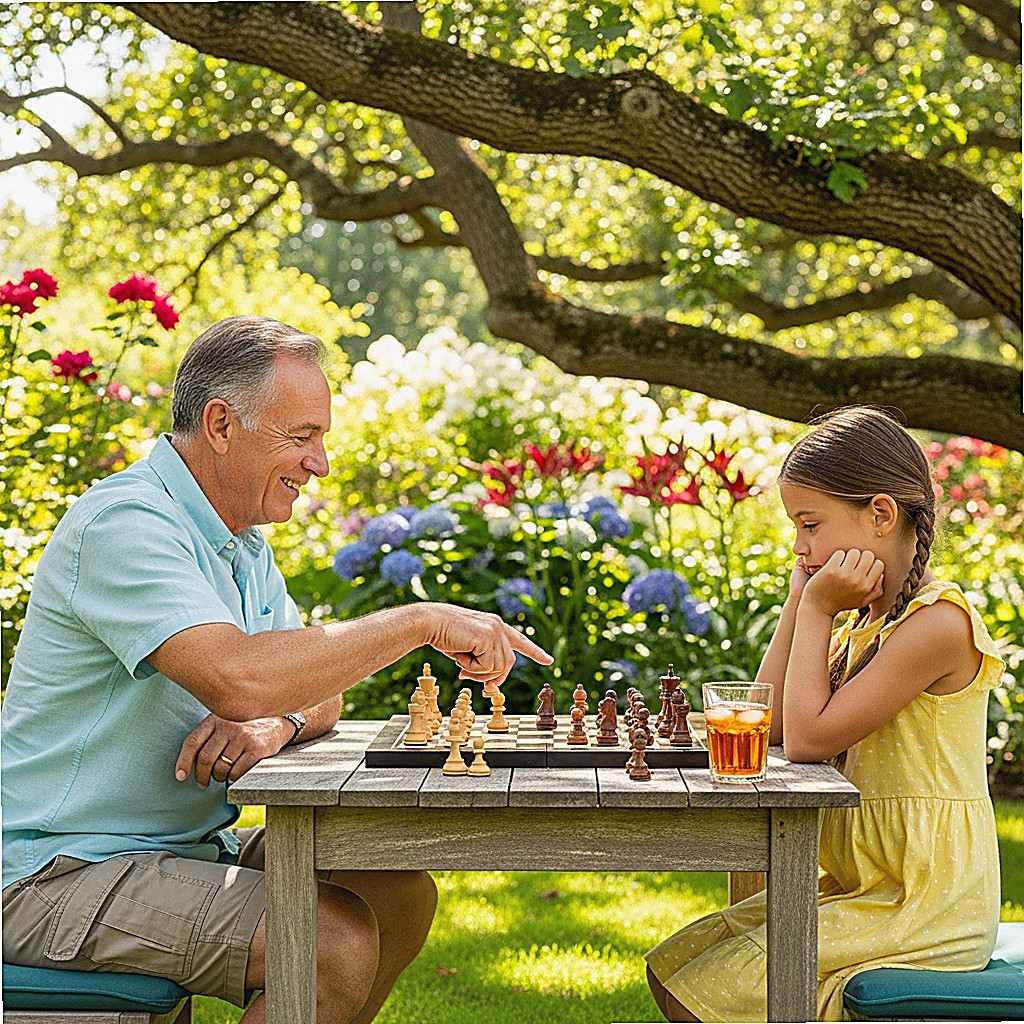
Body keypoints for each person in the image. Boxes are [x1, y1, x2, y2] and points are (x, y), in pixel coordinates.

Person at [1, 315, 552, 1023]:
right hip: (52, 871)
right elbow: (238, 676)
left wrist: (276, 723)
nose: (320, 462)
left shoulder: (240, 543)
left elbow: (306, 693)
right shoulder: (127, 524)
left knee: (398, 890)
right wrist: (419, 621)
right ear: (222, 423)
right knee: (328, 943)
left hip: (177, 847)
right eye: (302, 436)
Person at [645, 406, 1004, 1023]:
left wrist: (816, 611)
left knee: (704, 989)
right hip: (864, 888)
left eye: (810, 525)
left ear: (881, 513)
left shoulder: (936, 625)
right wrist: (799, 600)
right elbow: (771, 723)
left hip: (922, 902)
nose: (799, 546)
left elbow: (806, 742)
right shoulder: (866, 625)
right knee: (673, 966)